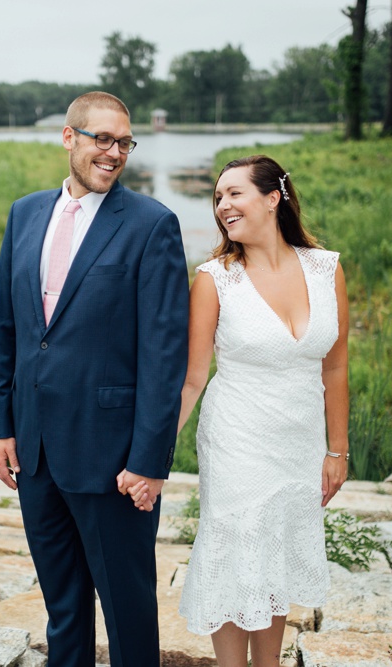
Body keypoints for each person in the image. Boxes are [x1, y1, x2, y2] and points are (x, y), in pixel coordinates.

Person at [0, 91, 189, 667]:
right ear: (69, 138)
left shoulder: (153, 225)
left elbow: (164, 354)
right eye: (103, 139)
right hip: (36, 450)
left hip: (113, 459)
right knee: (63, 609)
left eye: (124, 142)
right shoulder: (25, 213)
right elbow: (8, 328)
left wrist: (150, 460)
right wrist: (2, 424)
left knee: (127, 612)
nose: (115, 152)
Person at [132, 155, 349, 667]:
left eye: (234, 193)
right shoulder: (215, 279)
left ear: (274, 198)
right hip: (236, 438)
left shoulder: (326, 269)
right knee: (236, 552)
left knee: (273, 555)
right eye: (217, 197)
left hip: (299, 442)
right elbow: (191, 379)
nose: (222, 205)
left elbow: (335, 369)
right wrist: (152, 457)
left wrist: (336, 450)